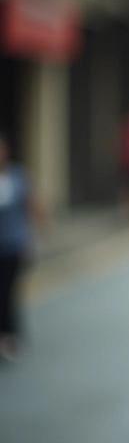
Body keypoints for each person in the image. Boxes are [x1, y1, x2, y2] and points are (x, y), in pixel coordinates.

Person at [0, 131, 41, 362]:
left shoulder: (18, 176)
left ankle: (9, 336)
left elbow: (33, 205)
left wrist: (36, 232)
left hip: (13, 246)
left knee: (7, 293)